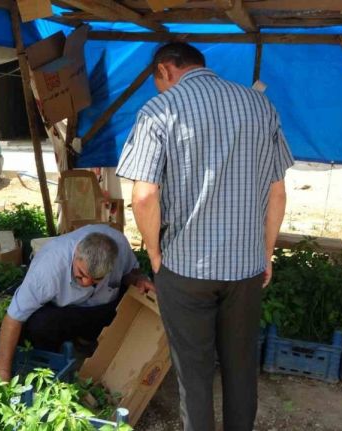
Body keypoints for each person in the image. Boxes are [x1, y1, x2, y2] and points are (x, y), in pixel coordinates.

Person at [116, 42, 294, 431]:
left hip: (185, 268)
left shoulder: (159, 111)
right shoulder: (259, 106)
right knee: (240, 366)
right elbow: (277, 192)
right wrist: (266, 254)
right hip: (245, 268)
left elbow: (144, 195)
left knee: (193, 375)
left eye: (156, 80)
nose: (158, 88)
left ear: (165, 70)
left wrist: (156, 254)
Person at [0, 224, 154, 382]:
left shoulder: (120, 246)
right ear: (76, 253)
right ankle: (53, 363)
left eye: (96, 279)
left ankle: (88, 340)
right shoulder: (47, 271)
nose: (86, 283)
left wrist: (138, 279)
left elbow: (130, 273)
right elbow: (13, 318)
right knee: (39, 325)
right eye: (81, 274)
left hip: (101, 308)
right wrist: (2, 373)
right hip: (62, 310)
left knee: (128, 304)